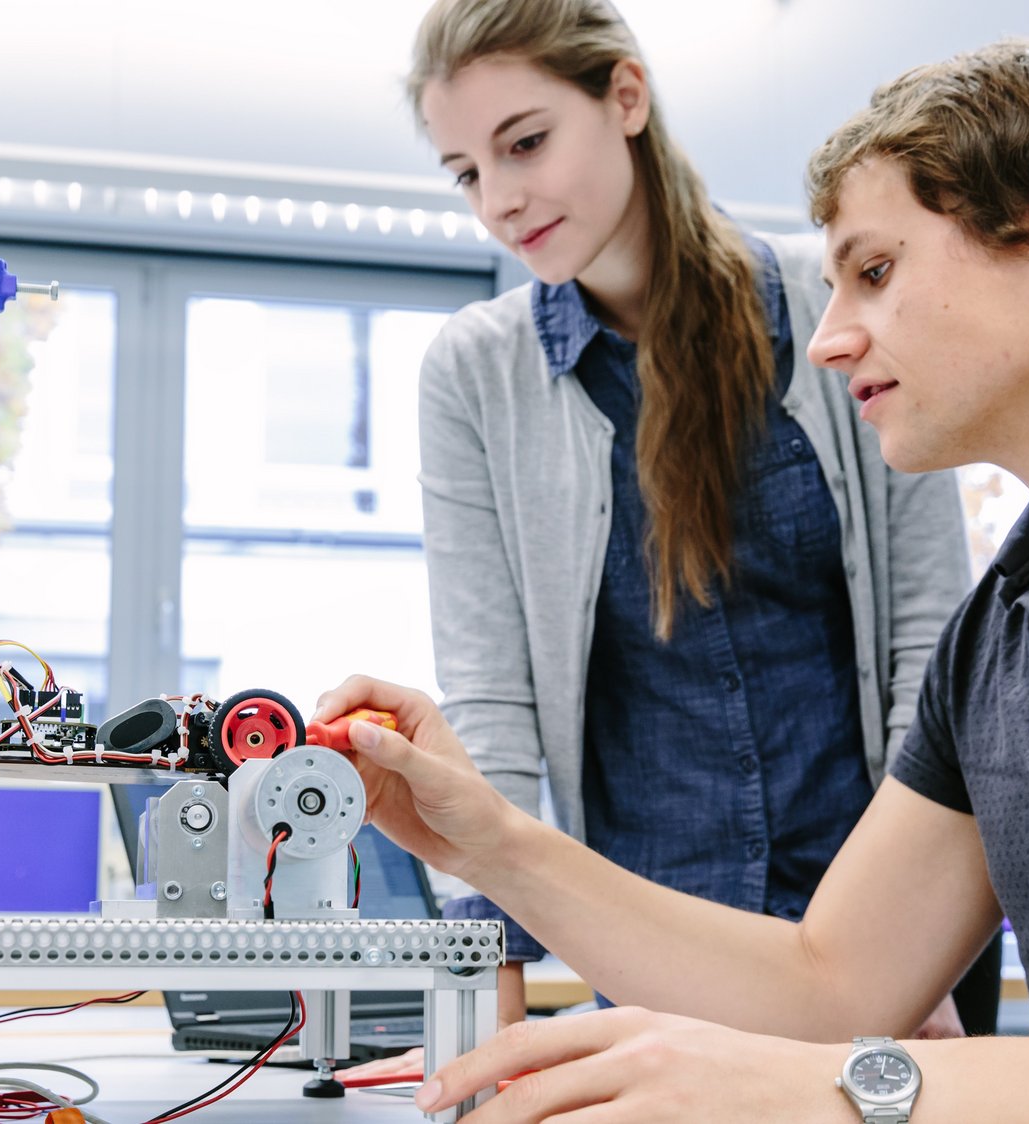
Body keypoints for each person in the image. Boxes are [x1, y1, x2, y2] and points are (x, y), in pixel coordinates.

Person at [314, 38, 1029, 1121]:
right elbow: (828, 983)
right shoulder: (1000, 642)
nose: (828, 341)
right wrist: (491, 841)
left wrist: (846, 1082)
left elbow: (831, 1042)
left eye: (875, 270)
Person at [391, 0, 986, 1053]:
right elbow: (492, 707)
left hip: (887, 950)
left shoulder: (834, 308)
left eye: (525, 142)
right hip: (661, 964)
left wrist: (918, 950)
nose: (502, 199)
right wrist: (487, 1000)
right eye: (468, 171)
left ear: (625, 97)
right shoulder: (475, 375)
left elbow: (930, 647)